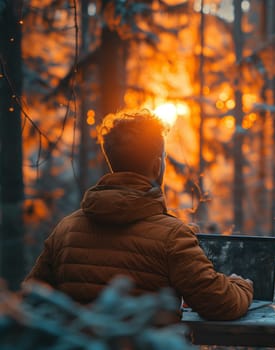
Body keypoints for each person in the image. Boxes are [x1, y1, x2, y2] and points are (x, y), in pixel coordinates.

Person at [24, 109, 253, 321]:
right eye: (163, 158)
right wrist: (241, 286)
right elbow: (220, 304)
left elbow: (30, 298)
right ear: (157, 166)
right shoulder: (173, 237)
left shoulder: (65, 229)